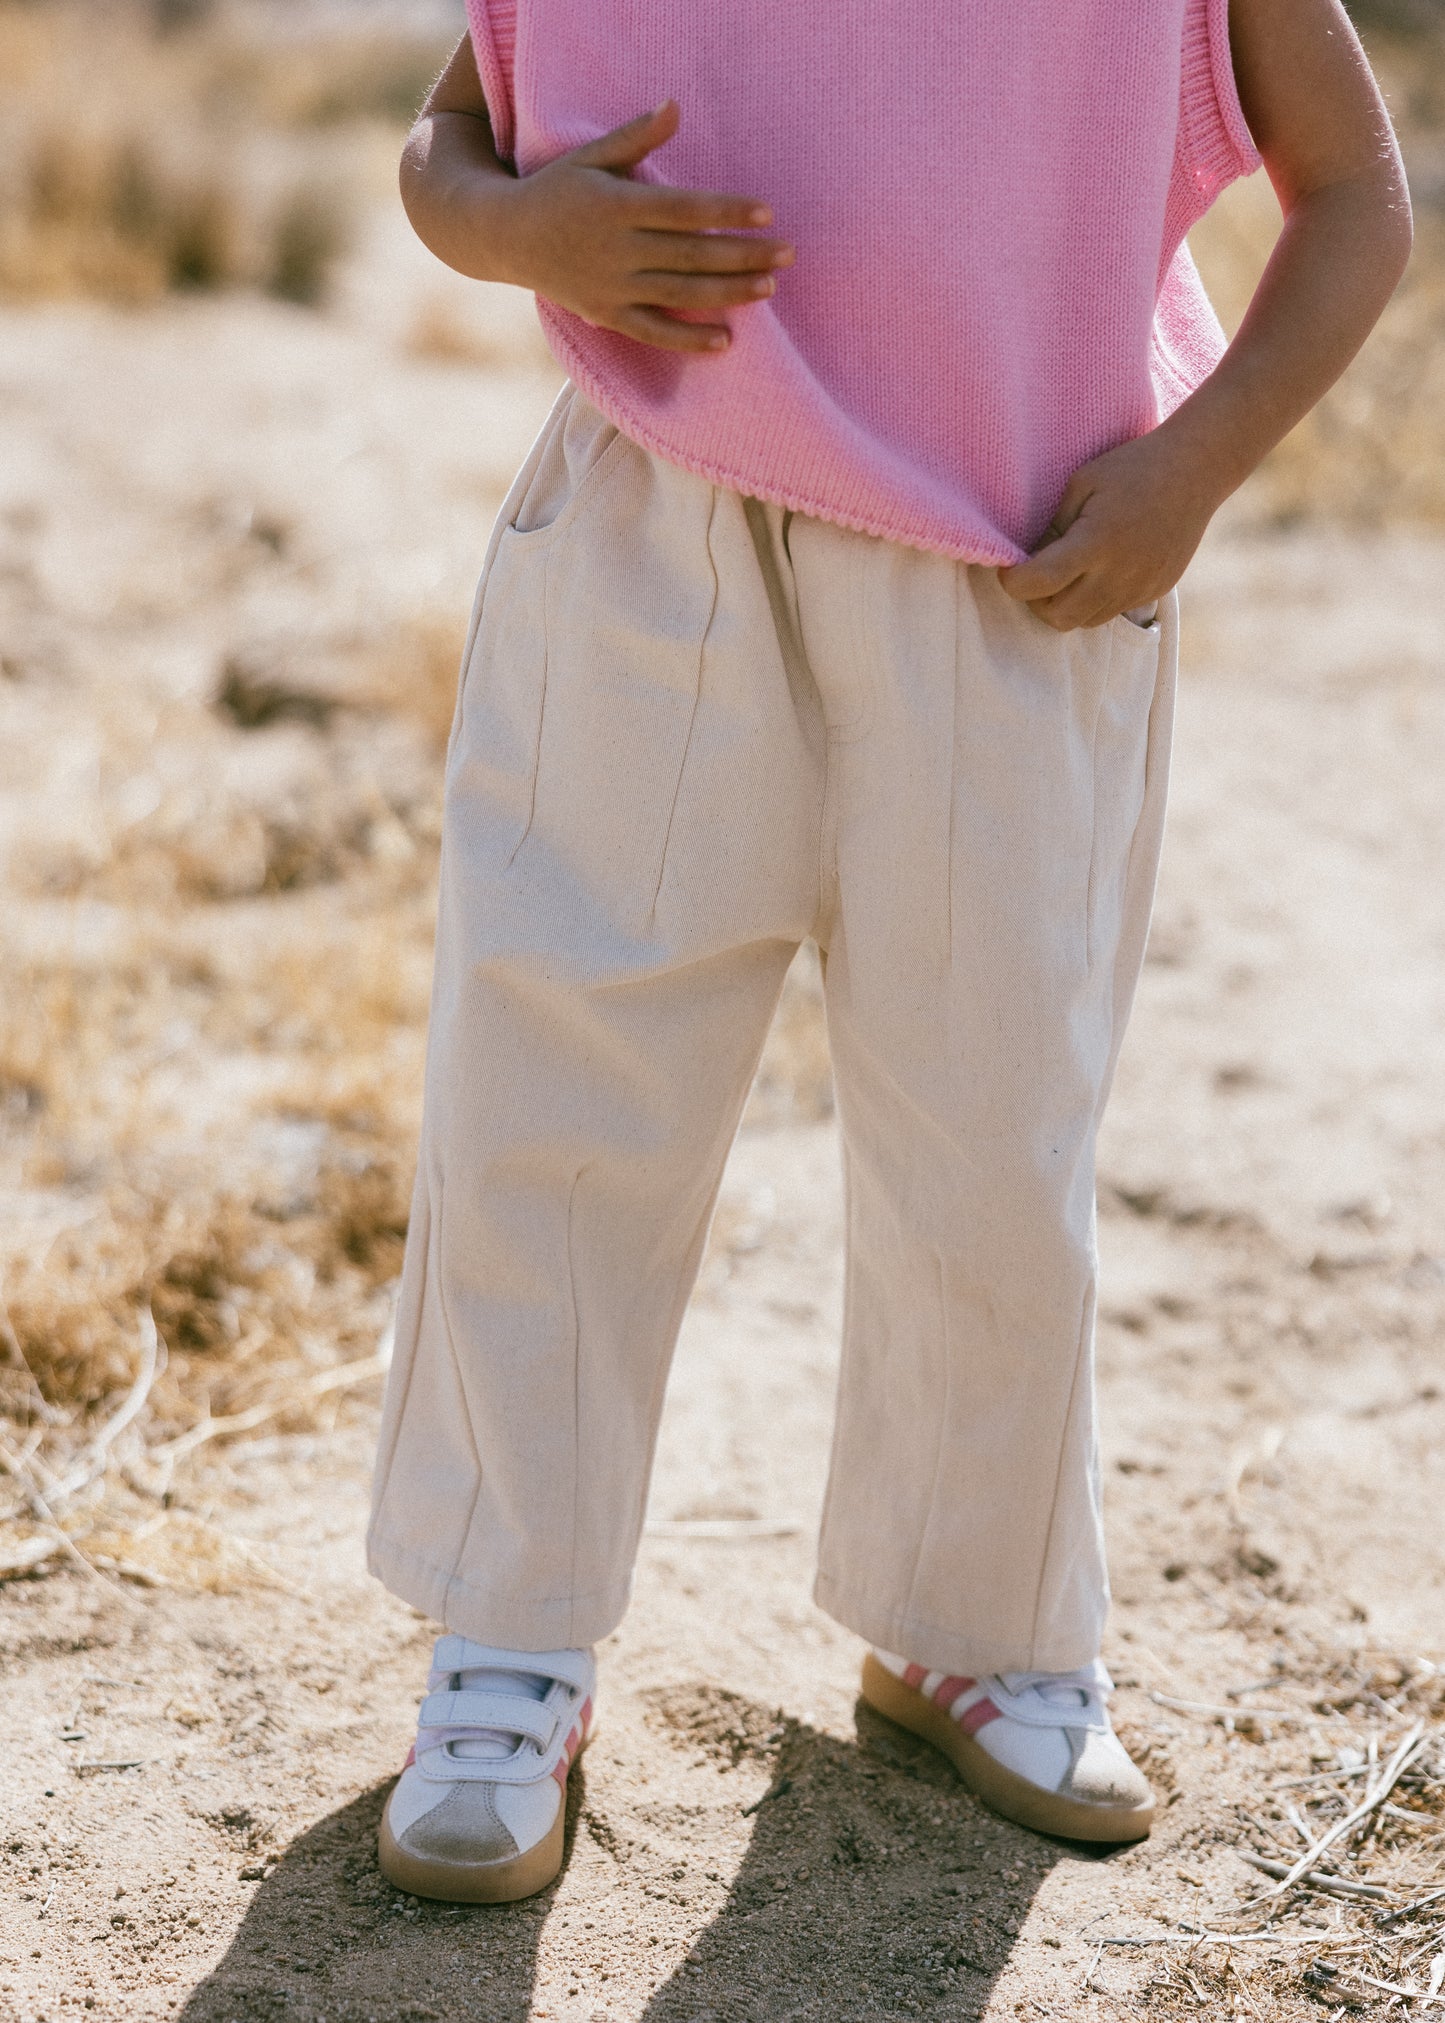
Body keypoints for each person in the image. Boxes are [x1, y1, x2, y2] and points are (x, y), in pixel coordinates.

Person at [365, 0, 1410, 1902]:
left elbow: (1352, 196)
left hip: (1016, 574)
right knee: (555, 1095)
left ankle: (977, 1623)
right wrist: (523, 231)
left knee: (990, 1135)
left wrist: (1194, 467)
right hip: (645, 540)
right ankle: (507, 1634)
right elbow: (446, 139)